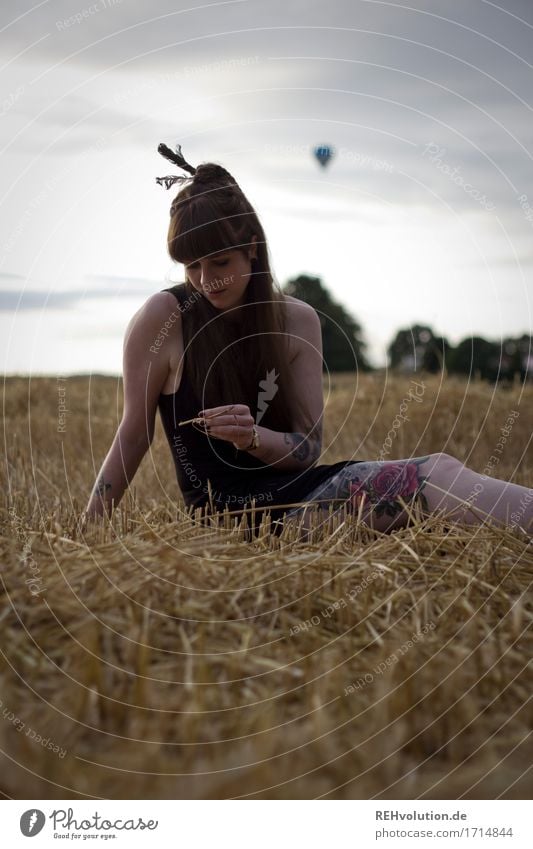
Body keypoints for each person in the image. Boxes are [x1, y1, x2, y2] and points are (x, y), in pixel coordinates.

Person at [84, 143, 533, 542]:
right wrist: (85, 535)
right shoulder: (164, 317)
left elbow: (306, 449)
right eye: (192, 266)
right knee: (430, 482)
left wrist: (252, 437)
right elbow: (134, 433)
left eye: (219, 261)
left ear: (252, 247)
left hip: (297, 495)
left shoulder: (298, 321)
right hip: (231, 519)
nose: (205, 281)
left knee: (439, 471)